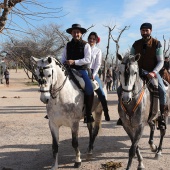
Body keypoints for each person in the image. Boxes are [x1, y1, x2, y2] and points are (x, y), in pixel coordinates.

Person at [117, 22, 167, 127]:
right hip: (137, 72)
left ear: (150, 31)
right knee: (120, 89)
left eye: (146, 30)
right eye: (143, 30)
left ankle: (161, 116)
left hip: (152, 72)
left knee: (162, 90)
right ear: (140, 31)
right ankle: (122, 115)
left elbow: (161, 61)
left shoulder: (157, 43)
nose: (144, 32)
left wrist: (154, 72)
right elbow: (131, 57)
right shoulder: (136, 44)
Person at [61, 24, 94, 123]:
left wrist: (74, 62)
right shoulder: (67, 45)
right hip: (68, 70)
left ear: (81, 33)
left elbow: (88, 59)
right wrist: (64, 63)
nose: (76, 34)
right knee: (54, 83)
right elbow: (63, 57)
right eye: (74, 32)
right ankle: (52, 110)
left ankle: (88, 114)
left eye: (78, 32)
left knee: (89, 88)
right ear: (71, 33)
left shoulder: (86, 45)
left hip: (81, 70)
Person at [88, 31, 110, 121]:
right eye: (90, 38)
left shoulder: (98, 51)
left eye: (93, 39)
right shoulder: (84, 48)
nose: (91, 40)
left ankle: (106, 111)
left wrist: (93, 74)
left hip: (93, 72)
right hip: (82, 71)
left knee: (101, 91)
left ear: (96, 40)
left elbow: (98, 64)